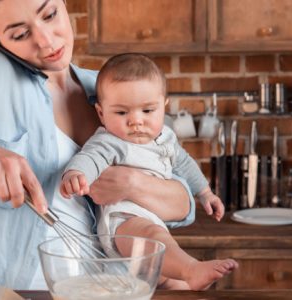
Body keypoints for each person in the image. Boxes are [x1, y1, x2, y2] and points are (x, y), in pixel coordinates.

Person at [0, 0, 199, 290]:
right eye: (20, 34)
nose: (47, 41)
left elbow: (183, 204)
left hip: (113, 290)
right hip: (20, 292)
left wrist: (131, 183)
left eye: (50, 14)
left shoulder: (107, 90)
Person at [60, 53, 238, 290]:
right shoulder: (110, 141)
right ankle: (192, 268)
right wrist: (75, 174)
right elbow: (90, 159)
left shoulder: (166, 138)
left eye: (147, 110)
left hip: (154, 219)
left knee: (172, 279)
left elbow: (185, 164)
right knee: (152, 236)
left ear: (163, 106)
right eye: (122, 113)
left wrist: (205, 193)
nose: (136, 121)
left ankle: (186, 278)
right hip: (123, 219)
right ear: (101, 113)